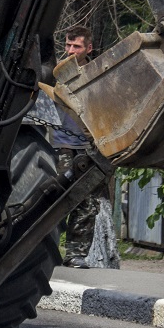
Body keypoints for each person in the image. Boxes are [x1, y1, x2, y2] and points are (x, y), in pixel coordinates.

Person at [52, 25, 111, 268]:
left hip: (89, 148)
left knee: (87, 205)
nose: (70, 50)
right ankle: (45, 251)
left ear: (89, 48)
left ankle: (75, 255)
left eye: (76, 46)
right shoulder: (55, 72)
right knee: (54, 201)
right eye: (67, 45)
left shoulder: (98, 75)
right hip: (60, 147)